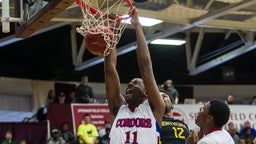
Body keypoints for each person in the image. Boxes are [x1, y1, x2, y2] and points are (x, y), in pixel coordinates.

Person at [104, 8, 164, 144]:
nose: (130, 84)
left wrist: (137, 25)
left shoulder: (154, 108)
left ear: (146, 93)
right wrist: (111, 32)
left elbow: (146, 67)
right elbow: (109, 69)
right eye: (130, 83)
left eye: (136, 83)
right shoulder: (118, 107)